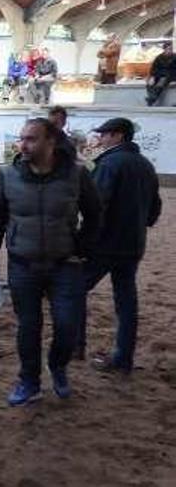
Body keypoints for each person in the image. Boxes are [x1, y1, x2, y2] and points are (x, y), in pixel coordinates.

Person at [0, 118, 102, 406]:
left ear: (51, 141)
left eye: (31, 139)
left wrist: (81, 248)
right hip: (23, 264)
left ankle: (57, 366)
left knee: (68, 326)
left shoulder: (76, 175)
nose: (23, 144)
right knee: (28, 326)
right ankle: (29, 381)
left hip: (66, 264)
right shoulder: (9, 175)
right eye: (21, 138)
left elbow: (96, 215)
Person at [78, 118, 162, 371]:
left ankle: (75, 345)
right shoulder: (146, 165)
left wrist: (83, 240)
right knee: (126, 301)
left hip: (104, 244)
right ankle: (123, 357)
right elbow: (155, 210)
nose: (101, 138)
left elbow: (96, 206)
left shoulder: (109, 163)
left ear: (118, 136)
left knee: (75, 289)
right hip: (133, 244)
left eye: (105, 134)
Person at [145, 42, 176, 107]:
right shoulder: (159, 57)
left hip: (170, 74)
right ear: (164, 49)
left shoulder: (174, 56)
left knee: (162, 81)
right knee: (150, 83)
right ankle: (152, 97)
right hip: (159, 74)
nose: (169, 50)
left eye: (170, 49)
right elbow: (153, 67)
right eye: (168, 49)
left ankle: (152, 99)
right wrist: (152, 76)